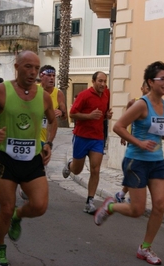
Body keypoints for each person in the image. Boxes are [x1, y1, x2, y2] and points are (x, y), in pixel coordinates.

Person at [0, 50, 57, 266]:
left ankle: (18, 216)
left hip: (32, 160)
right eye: (28, 67)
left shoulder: (44, 96)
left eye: (36, 68)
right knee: (5, 208)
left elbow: (52, 120)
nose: (33, 72)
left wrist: (48, 143)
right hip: (6, 159)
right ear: (17, 67)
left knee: (40, 206)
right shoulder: (1, 91)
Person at [94, 61, 164, 265]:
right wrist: (139, 142)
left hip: (157, 161)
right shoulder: (141, 104)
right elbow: (119, 127)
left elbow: (156, 131)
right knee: (137, 210)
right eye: (162, 79)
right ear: (150, 82)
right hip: (136, 161)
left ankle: (145, 248)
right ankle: (111, 206)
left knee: (159, 206)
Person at [62, 71, 113, 214]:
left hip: (97, 138)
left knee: (95, 169)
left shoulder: (106, 94)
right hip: (82, 136)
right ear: (93, 81)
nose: (103, 84)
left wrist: (106, 116)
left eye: (105, 81)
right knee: (77, 170)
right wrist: (89, 116)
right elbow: (72, 114)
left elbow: (102, 116)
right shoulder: (84, 95)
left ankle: (89, 201)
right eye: (100, 81)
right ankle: (70, 165)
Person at [19, 64, 67, 200]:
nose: (52, 78)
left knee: (40, 164)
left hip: (47, 136)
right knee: (27, 163)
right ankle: (26, 186)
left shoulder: (58, 94)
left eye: (54, 76)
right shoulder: (34, 91)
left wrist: (61, 111)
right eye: (49, 75)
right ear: (42, 76)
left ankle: (29, 188)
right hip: (30, 133)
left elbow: (64, 115)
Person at [115, 81, 150, 203]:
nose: (149, 90)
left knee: (141, 171)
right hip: (134, 141)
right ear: (142, 88)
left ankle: (122, 193)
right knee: (136, 170)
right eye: (147, 88)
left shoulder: (154, 105)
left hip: (148, 144)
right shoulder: (134, 102)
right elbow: (125, 120)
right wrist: (124, 136)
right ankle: (128, 195)